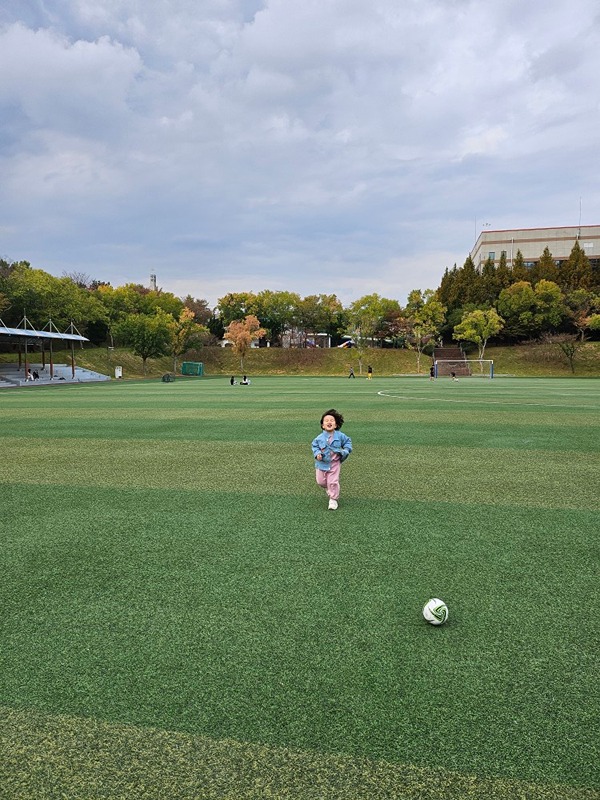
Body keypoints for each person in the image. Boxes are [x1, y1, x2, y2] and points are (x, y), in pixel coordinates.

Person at [311, 408, 352, 511]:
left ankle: (333, 499)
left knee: (332, 482)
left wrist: (346, 450)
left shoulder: (340, 436)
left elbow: (348, 442)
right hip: (322, 464)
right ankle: (329, 489)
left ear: (336, 424)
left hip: (334, 463)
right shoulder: (319, 438)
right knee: (321, 482)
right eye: (326, 421)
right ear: (322, 425)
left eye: (332, 420)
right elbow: (314, 446)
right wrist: (317, 453)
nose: (329, 422)